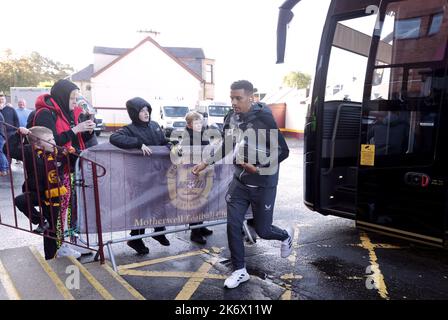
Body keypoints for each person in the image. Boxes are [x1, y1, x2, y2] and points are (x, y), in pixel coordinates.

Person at [192, 80, 293, 289]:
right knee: (233, 225)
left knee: (264, 231)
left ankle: (285, 235)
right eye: (231, 98)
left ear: (251, 97)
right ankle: (239, 270)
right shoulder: (231, 117)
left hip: (263, 183)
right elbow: (226, 144)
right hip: (240, 182)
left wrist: (259, 167)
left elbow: (283, 151)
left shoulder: (264, 118)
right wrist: (204, 163)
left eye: (238, 98)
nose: (234, 102)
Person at [32, 79, 96, 256]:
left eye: (76, 99)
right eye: (72, 99)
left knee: (68, 209)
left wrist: (87, 131)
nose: (75, 103)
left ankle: (67, 242)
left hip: (68, 167)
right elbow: (50, 142)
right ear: (62, 97)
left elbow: (73, 140)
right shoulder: (46, 113)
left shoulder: (67, 112)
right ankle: (57, 248)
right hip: (52, 170)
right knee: (56, 211)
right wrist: (76, 129)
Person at [109, 97, 171, 255]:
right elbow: (114, 138)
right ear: (134, 113)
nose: (146, 113)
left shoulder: (155, 125)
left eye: (147, 110)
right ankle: (135, 239)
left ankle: (159, 232)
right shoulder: (129, 129)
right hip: (139, 177)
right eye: (142, 111)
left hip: (158, 173)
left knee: (159, 203)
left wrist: (170, 145)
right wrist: (138, 143)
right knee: (141, 208)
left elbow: (163, 141)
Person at [6, 126, 78, 260]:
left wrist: (74, 153)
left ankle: (50, 257)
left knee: (51, 231)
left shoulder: (61, 152)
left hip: (55, 195)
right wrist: (18, 135)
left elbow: (76, 163)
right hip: (36, 193)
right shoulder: (29, 151)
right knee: (20, 200)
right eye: (49, 139)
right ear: (37, 143)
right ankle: (40, 220)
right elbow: (8, 150)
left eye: (53, 138)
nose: (53, 142)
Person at [179, 111, 213, 245]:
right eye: (196, 123)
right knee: (195, 202)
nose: (200, 124)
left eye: (201, 122)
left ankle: (200, 225)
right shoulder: (187, 138)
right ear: (189, 125)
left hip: (203, 170)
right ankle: (195, 232)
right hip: (192, 173)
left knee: (203, 199)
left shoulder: (202, 134)